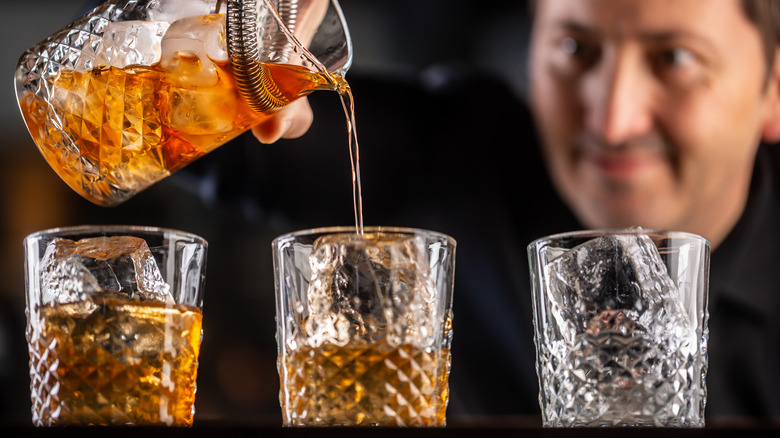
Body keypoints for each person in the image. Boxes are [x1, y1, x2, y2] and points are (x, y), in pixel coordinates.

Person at [232, 0, 780, 421]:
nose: (614, 121)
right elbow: (197, 126)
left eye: (674, 59)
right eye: (574, 48)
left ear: (773, 85)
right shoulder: (459, 150)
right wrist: (226, 29)